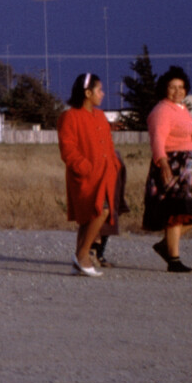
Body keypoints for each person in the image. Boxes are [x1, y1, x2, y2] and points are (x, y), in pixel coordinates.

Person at [57, 72, 120, 277]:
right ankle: (83, 255)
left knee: (91, 216)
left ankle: (79, 261)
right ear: (87, 92)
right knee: (99, 211)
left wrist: (114, 165)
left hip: (105, 175)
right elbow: (68, 149)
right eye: (99, 90)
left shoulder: (101, 116)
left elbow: (108, 145)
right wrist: (84, 167)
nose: (102, 94)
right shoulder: (69, 116)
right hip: (84, 177)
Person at [143, 65, 192, 273]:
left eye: (181, 87)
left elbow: (188, 131)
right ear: (164, 89)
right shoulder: (161, 110)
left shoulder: (182, 109)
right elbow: (157, 139)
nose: (177, 91)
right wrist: (163, 163)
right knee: (178, 213)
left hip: (189, 170)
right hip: (173, 168)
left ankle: (164, 246)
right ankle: (174, 259)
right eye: (172, 87)